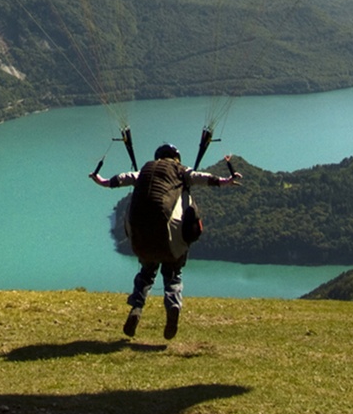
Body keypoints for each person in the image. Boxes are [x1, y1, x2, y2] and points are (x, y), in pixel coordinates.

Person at [90, 142, 240, 339]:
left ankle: (136, 307)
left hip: (141, 237)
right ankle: (173, 305)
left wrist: (101, 181)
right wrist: (227, 181)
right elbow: (200, 178)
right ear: (176, 158)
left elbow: (124, 178)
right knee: (172, 274)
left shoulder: (145, 170)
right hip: (170, 237)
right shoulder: (180, 170)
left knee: (146, 273)